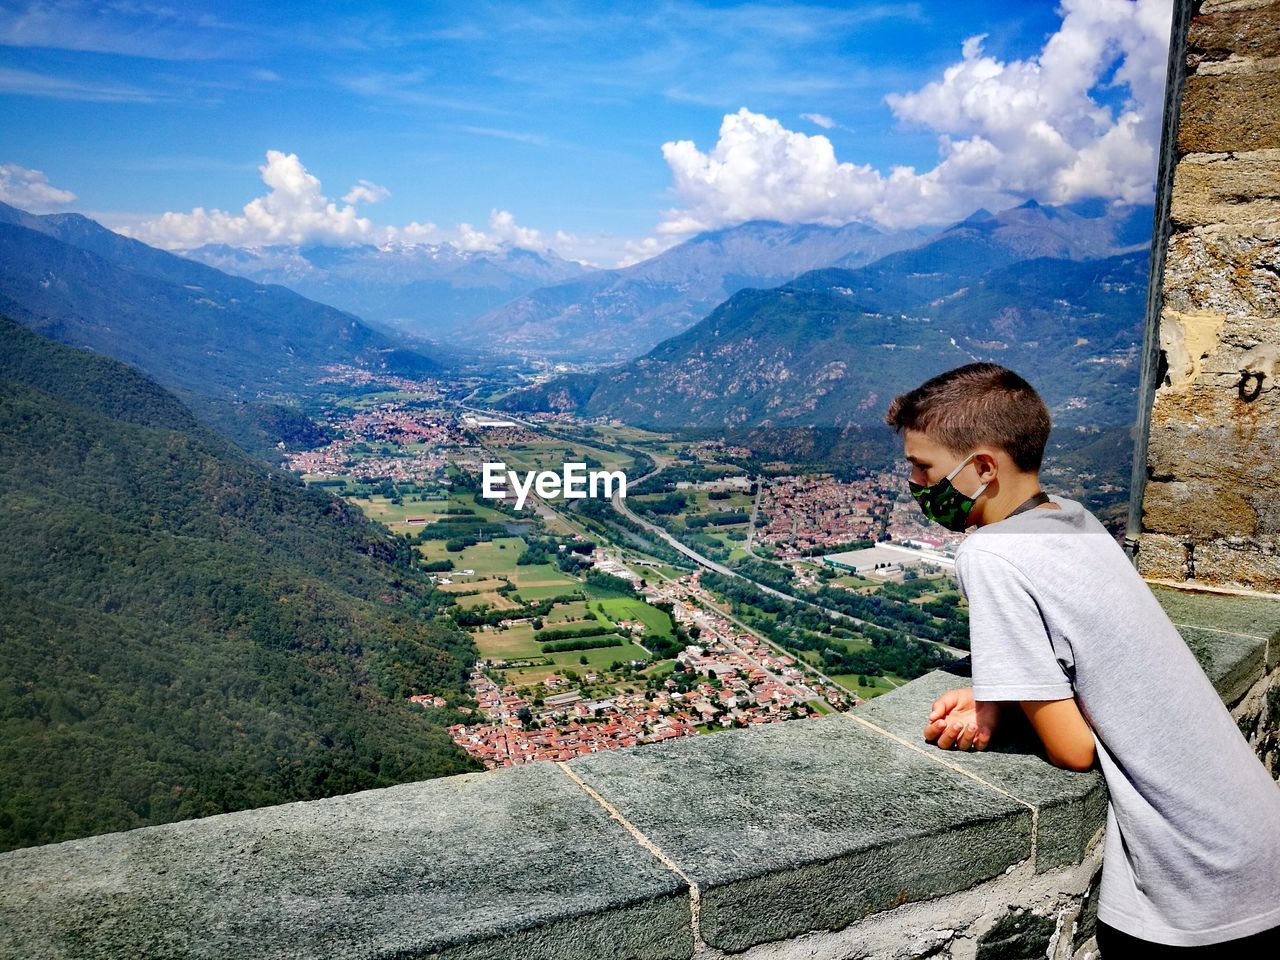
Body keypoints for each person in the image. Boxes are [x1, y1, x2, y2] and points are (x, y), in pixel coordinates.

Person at [882, 362, 1280, 955]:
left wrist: (1008, 708)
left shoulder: (990, 556)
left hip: (1197, 881)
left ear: (983, 467)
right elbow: (1099, 652)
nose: (913, 482)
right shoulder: (1074, 519)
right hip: (1253, 832)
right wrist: (998, 687)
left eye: (923, 467)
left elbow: (1072, 749)